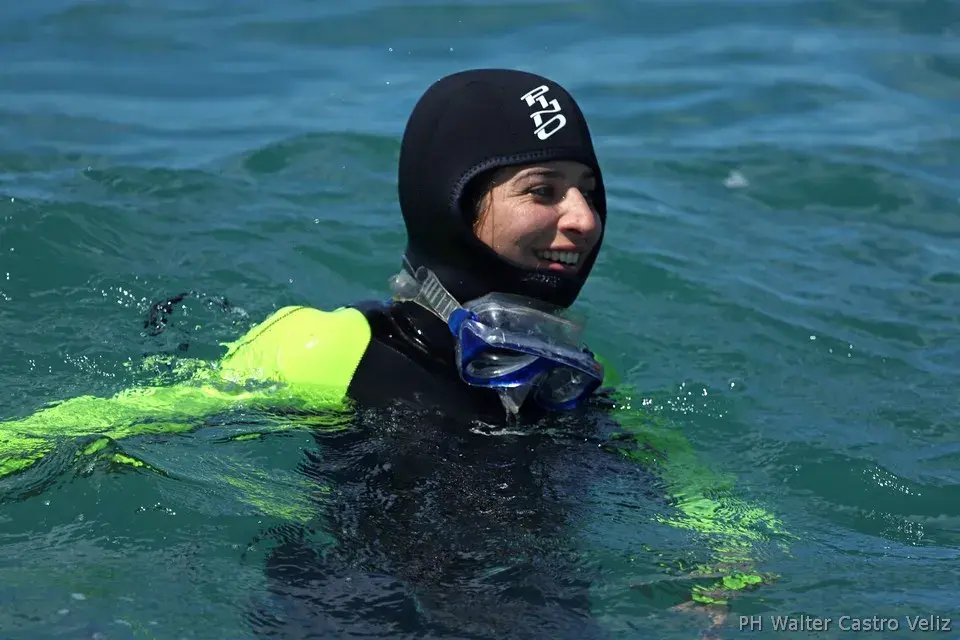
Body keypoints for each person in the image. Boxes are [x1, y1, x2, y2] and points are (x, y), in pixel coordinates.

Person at [0, 69, 787, 637]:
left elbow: (676, 475)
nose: (582, 218)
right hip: (350, 604)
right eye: (543, 190)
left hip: (533, 606)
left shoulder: (564, 376)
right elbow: (116, 420)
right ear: (452, 204)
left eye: (589, 190)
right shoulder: (336, 344)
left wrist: (730, 551)